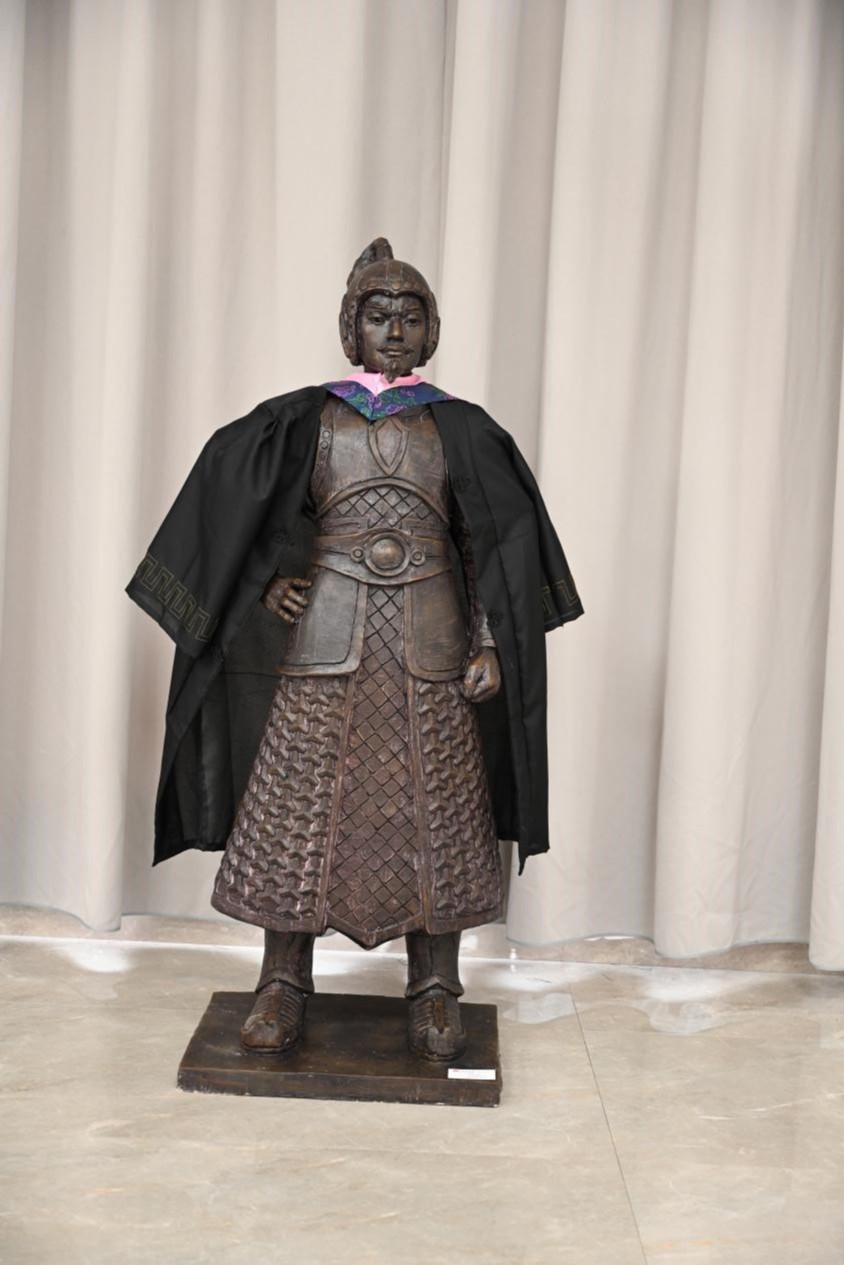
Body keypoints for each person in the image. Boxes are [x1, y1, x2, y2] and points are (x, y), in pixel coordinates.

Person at [127, 237, 583, 1062]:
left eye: (410, 317)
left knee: (439, 811)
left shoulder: (462, 430)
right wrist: (268, 584)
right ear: (351, 329)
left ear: (432, 330)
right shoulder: (306, 421)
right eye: (378, 317)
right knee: (298, 811)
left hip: (431, 643)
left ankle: (436, 984)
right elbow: (253, 517)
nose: (395, 331)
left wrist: (489, 639)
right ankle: (282, 980)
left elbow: (488, 547)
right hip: (325, 643)